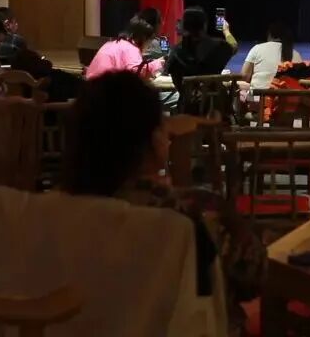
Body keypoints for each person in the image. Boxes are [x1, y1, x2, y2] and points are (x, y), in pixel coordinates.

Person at [64, 71, 266, 330]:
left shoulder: (49, 213)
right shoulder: (195, 213)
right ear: (154, 140)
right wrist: (237, 224)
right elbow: (252, 277)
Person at [164, 7, 238, 82]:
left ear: (184, 26)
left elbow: (167, 73)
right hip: (212, 89)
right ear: (205, 25)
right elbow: (234, 46)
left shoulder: (176, 52)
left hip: (186, 90)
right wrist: (226, 30)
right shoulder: (221, 46)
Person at [86, 15, 165, 80]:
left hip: (92, 88)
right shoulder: (130, 48)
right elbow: (136, 73)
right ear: (144, 38)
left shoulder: (112, 44)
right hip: (106, 90)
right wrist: (159, 63)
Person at [241, 21, 302, 91]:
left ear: (270, 35)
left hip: (258, 96)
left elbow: (244, 76)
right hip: (285, 97)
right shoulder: (296, 54)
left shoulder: (257, 48)